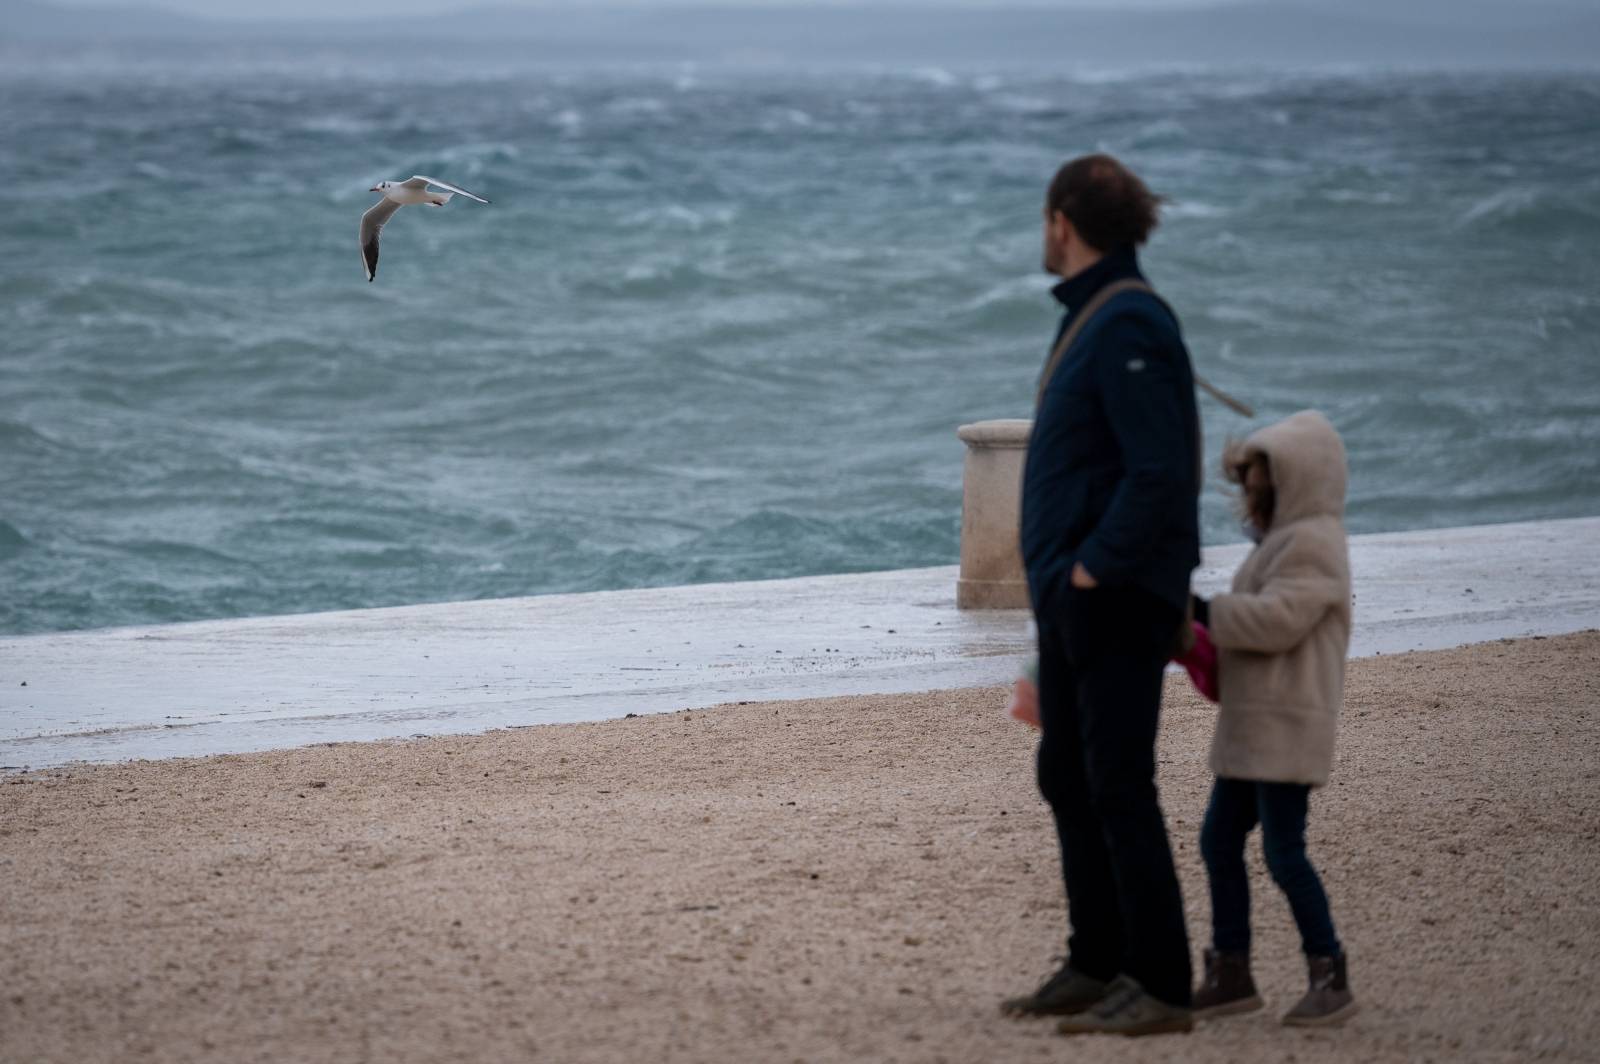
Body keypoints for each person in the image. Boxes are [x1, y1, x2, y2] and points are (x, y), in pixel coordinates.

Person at [1002, 154, 1200, 1037]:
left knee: (1118, 780)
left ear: (1063, 222)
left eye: (1045, 219)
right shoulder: (1094, 314)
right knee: (1068, 772)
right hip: (1073, 593)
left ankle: (1158, 982)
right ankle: (1096, 961)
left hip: (1111, 592)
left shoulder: (1127, 321)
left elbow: (1160, 470)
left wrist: (1092, 567)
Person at [1190, 410, 1358, 1027]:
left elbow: (1280, 618)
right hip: (1255, 726)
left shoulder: (1315, 542)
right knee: (1219, 839)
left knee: (1286, 852)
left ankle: (1328, 971)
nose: (1253, 498)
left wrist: (1205, 612)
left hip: (1287, 725)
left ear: (1299, 481)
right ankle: (1231, 970)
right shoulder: (1286, 540)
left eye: (1263, 485)